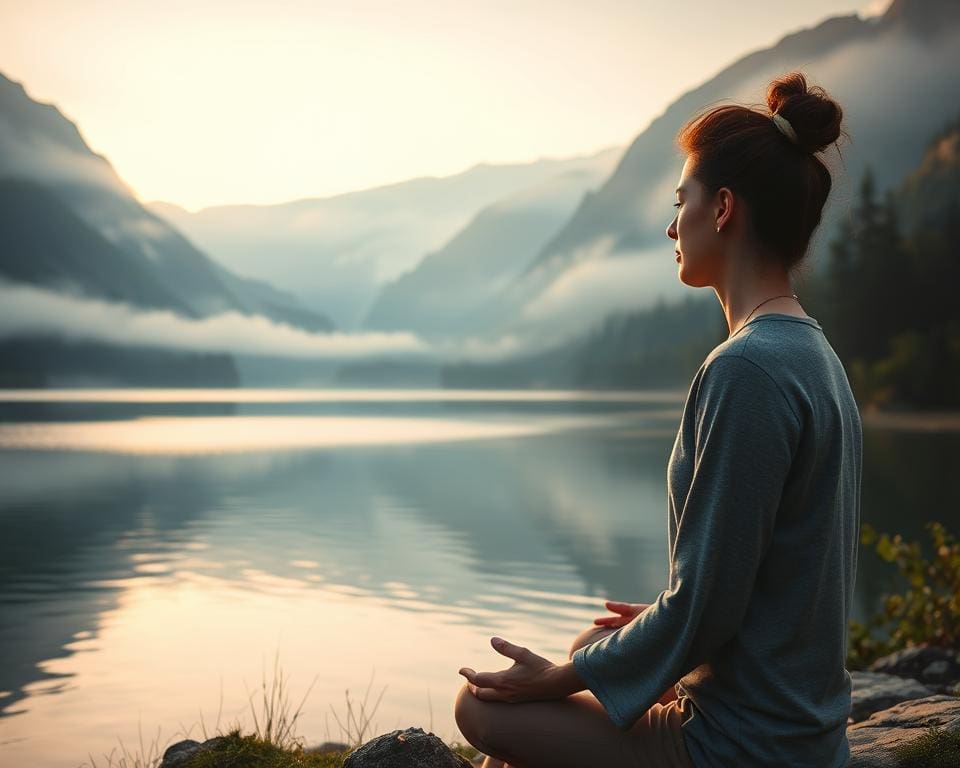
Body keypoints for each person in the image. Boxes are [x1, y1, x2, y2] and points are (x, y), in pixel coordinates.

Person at [453, 71, 862, 768]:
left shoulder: (747, 370)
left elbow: (708, 605)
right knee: (593, 647)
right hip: (798, 722)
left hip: (746, 747)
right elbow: (748, 580)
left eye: (683, 203)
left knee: (480, 707)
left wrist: (553, 682)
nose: (672, 227)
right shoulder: (811, 352)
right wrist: (648, 630)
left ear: (724, 208)